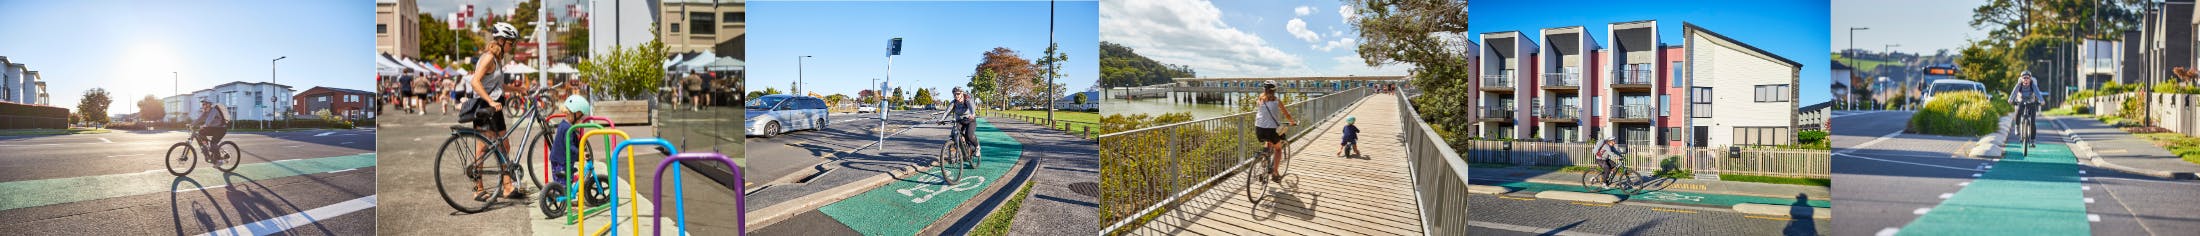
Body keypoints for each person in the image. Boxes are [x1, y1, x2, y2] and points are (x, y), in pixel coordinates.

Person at [458, 22, 530, 200]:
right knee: (482, 149)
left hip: (495, 108)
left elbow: (498, 85)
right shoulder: (489, 57)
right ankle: (478, 188)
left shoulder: (497, 59)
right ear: (502, 40)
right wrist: (490, 100)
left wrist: (517, 90)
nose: (512, 46)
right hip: (485, 107)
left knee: (504, 145)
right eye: (511, 42)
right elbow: (475, 81)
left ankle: (507, 187)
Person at [1254, 82, 1297, 181]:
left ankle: (1264, 160)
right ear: (1274, 91)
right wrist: (1292, 122)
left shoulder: (1260, 100)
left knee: (1267, 141)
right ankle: (1275, 172)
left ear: (1264, 90)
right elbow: (1287, 114)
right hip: (1271, 129)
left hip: (1259, 128)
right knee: (1278, 149)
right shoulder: (1277, 101)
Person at [2009, 72, 2043, 148]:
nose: (2026, 80)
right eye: (2024, 78)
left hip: (2031, 102)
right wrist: (2010, 99)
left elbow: (2037, 93)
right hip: (2021, 101)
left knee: (2033, 122)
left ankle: (2033, 141)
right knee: (2017, 112)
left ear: (2030, 79)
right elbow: (2014, 92)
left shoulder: (2032, 85)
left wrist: (2041, 100)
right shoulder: (2019, 85)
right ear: (2021, 79)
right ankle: (2017, 126)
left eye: (2027, 78)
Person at [947, 87, 982, 160]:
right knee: (954, 133)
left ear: (961, 93)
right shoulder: (954, 102)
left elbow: (972, 107)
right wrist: (941, 120)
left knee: (969, 135)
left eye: (958, 94)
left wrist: (972, 114)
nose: (956, 95)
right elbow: (947, 111)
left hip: (970, 120)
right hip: (960, 121)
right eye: (954, 94)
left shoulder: (967, 100)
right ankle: (960, 152)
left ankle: (977, 147)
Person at [193, 100, 231, 164]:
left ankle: (219, 160)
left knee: (213, 144)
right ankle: (206, 147)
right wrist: (191, 124)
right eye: (202, 105)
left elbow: (208, 121)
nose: (203, 106)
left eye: (204, 104)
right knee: (201, 132)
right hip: (214, 128)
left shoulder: (214, 110)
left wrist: (203, 125)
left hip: (221, 129)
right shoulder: (205, 112)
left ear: (208, 105)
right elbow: (199, 119)